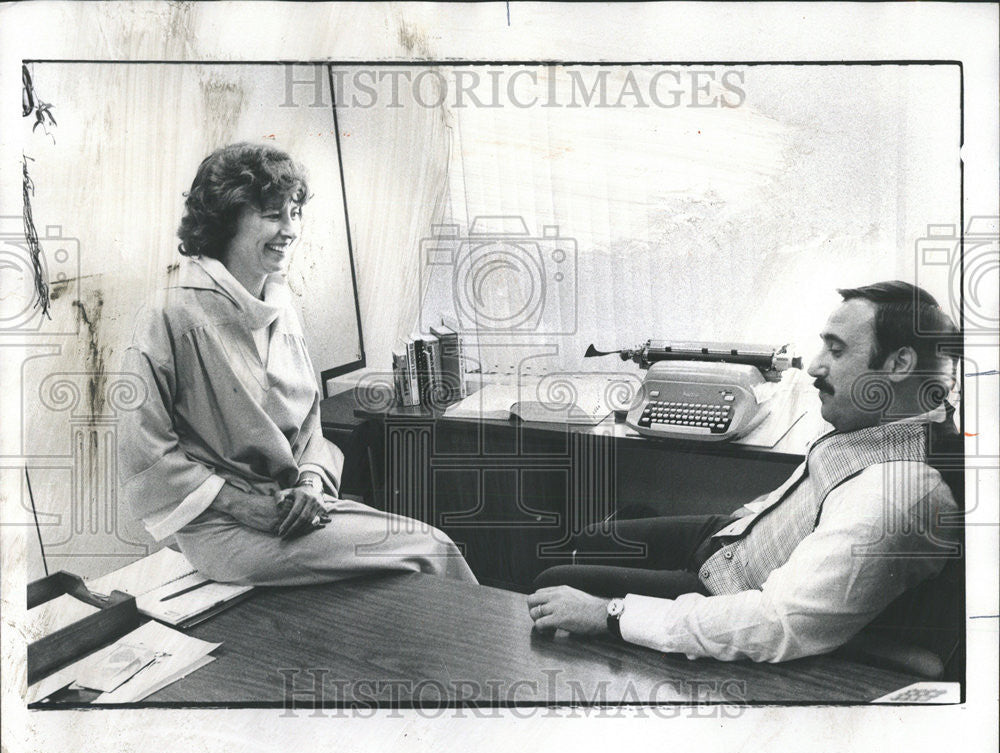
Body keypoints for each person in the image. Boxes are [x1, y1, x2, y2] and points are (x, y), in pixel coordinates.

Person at [528, 281, 962, 665]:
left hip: (730, 589)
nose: (814, 366)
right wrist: (747, 517)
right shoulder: (883, 424)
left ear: (899, 364)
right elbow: (806, 490)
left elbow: (777, 622)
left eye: (837, 349)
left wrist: (610, 614)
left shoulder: (895, 497)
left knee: (554, 582)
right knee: (588, 537)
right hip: (735, 539)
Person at [119, 142, 476, 586]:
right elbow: (144, 450)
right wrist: (241, 503)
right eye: (273, 215)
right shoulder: (169, 314)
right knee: (431, 548)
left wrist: (309, 484)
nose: (290, 229)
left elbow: (309, 427)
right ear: (227, 218)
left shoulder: (281, 304)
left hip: (288, 511)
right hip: (223, 528)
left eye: (296, 213)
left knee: (418, 553)